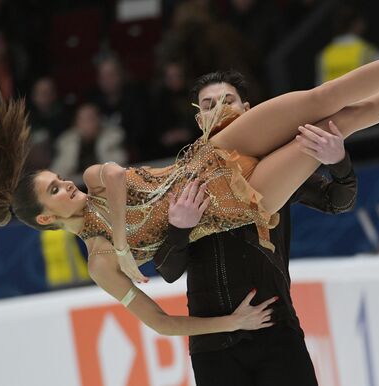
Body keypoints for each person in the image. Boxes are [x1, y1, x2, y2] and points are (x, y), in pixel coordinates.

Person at [0, 9, 379, 337]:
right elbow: (160, 322)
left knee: (317, 98)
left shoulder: (94, 183)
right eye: (55, 191)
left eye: (55, 177)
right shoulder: (97, 266)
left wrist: (119, 242)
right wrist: (228, 323)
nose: (65, 183)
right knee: (334, 126)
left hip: (212, 154)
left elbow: (116, 176)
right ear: (49, 219)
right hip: (238, 200)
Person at [152, 69, 357, 386]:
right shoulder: (182, 181)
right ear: (199, 121)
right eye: (208, 105)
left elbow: (337, 202)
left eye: (227, 100)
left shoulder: (274, 165)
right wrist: (179, 228)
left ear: (247, 110)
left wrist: (338, 161)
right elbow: (167, 271)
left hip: (276, 331)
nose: (219, 109)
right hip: (215, 348)